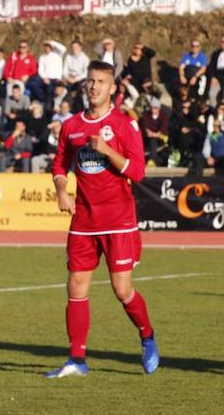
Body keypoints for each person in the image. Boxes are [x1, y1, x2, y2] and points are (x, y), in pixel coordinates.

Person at [47, 60, 158, 378]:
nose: (93, 86)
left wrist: (108, 151)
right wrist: (61, 190)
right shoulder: (71, 126)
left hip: (119, 220)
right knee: (76, 285)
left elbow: (138, 172)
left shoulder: (125, 125)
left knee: (122, 290)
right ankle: (77, 359)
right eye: (90, 81)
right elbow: (59, 165)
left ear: (113, 89)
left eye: (100, 82)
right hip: (83, 220)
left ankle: (147, 336)